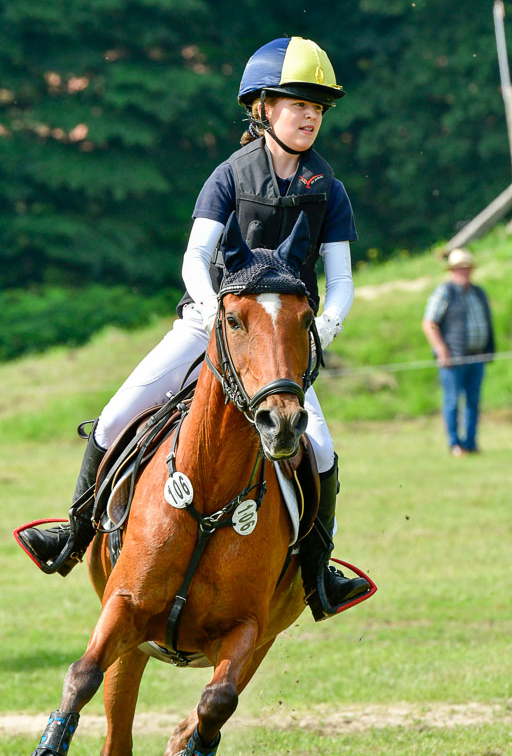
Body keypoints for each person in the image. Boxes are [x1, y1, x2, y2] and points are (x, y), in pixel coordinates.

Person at [19, 36, 370, 619]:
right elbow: (194, 258)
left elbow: (342, 279)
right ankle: (75, 536)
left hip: (278, 346)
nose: (310, 116)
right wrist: (212, 316)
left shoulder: (328, 190)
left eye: (317, 107)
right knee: (114, 417)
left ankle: (317, 577)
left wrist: (324, 327)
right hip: (208, 326)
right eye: (298, 104)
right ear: (262, 108)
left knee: (324, 451)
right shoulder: (228, 176)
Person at [422, 247, 495, 456]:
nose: (464, 271)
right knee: (453, 401)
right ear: (452, 270)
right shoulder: (445, 292)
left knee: (473, 402)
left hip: (477, 355)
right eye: (460, 268)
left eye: (467, 267)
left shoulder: (478, 292)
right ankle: (455, 443)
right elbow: (429, 323)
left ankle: (471, 443)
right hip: (453, 358)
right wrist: (441, 349)